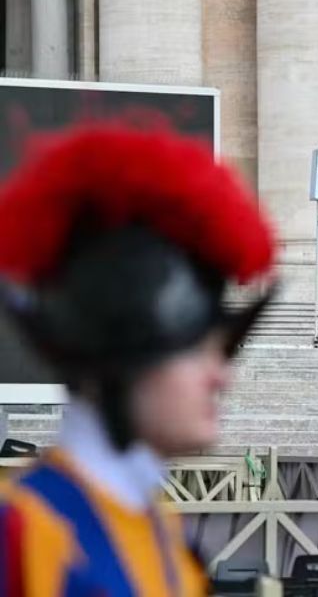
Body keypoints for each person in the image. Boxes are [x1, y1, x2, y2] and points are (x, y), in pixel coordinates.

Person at [0, 125, 276, 595]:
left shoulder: (159, 535)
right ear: (120, 347)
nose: (221, 376)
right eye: (196, 348)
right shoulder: (20, 541)